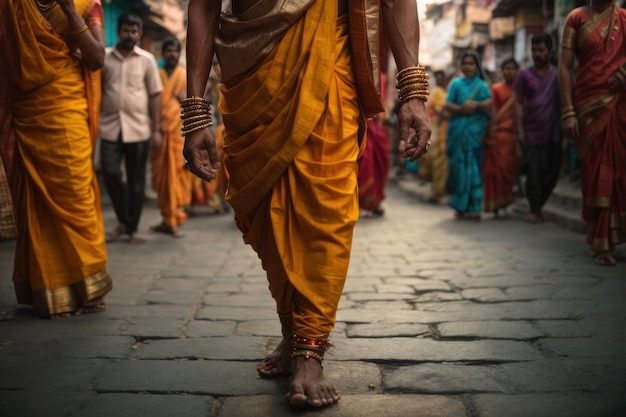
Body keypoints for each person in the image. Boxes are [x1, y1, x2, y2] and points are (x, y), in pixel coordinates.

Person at [183, 0, 431, 408]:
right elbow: (204, 5)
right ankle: (292, 329)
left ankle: (310, 349)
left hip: (329, 65)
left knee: (323, 210)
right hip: (253, 75)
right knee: (267, 214)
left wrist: (413, 92)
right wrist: (195, 115)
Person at [0, 0, 112, 317]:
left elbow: (97, 58)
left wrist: (69, 9)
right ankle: (50, 290)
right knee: (35, 203)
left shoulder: (87, 4)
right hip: (26, 108)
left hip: (66, 105)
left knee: (74, 193)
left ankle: (90, 286)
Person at [558, 0, 626, 266]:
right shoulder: (576, 18)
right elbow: (564, 67)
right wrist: (568, 112)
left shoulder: (623, 17)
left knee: (620, 169)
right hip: (588, 105)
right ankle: (601, 242)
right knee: (594, 171)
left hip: (620, 103)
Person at [99, 13, 163, 243]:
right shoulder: (104, 57)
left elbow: (155, 96)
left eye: (134, 31)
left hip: (138, 129)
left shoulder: (147, 60)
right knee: (111, 173)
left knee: (136, 182)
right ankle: (124, 220)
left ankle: (131, 228)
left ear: (140, 33)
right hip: (109, 127)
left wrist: (156, 129)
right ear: (118, 31)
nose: (129, 35)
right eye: (126, 30)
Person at [514, 33, 562, 224]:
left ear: (550, 52)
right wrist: (519, 130)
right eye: (534, 50)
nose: (536, 54)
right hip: (532, 131)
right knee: (533, 173)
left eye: (541, 50)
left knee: (552, 172)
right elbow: (517, 102)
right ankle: (534, 209)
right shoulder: (524, 74)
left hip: (553, 131)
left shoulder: (558, 74)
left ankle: (539, 206)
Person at [149, 37, 192, 238]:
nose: (171, 54)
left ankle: (174, 219)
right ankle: (167, 219)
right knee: (161, 177)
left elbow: (187, 101)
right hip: (159, 129)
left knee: (176, 174)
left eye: (175, 51)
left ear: (178, 52)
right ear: (163, 53)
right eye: (168, 51)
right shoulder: (155, 74)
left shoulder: (184, 74)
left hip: (177, 131)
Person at [444, 51, 492, 220]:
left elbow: (490, 107)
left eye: (471, 63)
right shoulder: (456, 84)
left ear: (477, 66)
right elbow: (447, 105)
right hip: (458, 131)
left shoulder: (482, 86)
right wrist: (461, 109)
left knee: (473, 167)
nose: (467, 66)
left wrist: (477, 105)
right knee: (459, 168)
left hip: (475, 134)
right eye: (464, 63)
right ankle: (460, 205)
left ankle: (474, 206)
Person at [482, 57, 520, 219]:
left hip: (514, 136)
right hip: (499, 134)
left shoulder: (520, 90)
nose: (509, 71)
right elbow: (493, 112)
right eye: (506, 69)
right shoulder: (496, 89)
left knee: (509, 171)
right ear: (502, 71)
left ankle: (505, 203)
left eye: (512, 68)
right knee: (496, 171)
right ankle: (496, 205)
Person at [357, 113, 391, 218]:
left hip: (376, 127)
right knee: (365, 163)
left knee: (380, 164)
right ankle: (359, 203)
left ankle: (374, 202)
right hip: (362, 122)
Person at [427, 70, 450, 204]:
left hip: (448, 129)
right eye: (437, 78)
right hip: (438, 128)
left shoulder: (448, 92)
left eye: (441, 77)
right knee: (437, 159)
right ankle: (437, 189)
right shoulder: (435, 93)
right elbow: (429, 108)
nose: (439, 80)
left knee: (445, 160)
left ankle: (442, 189)